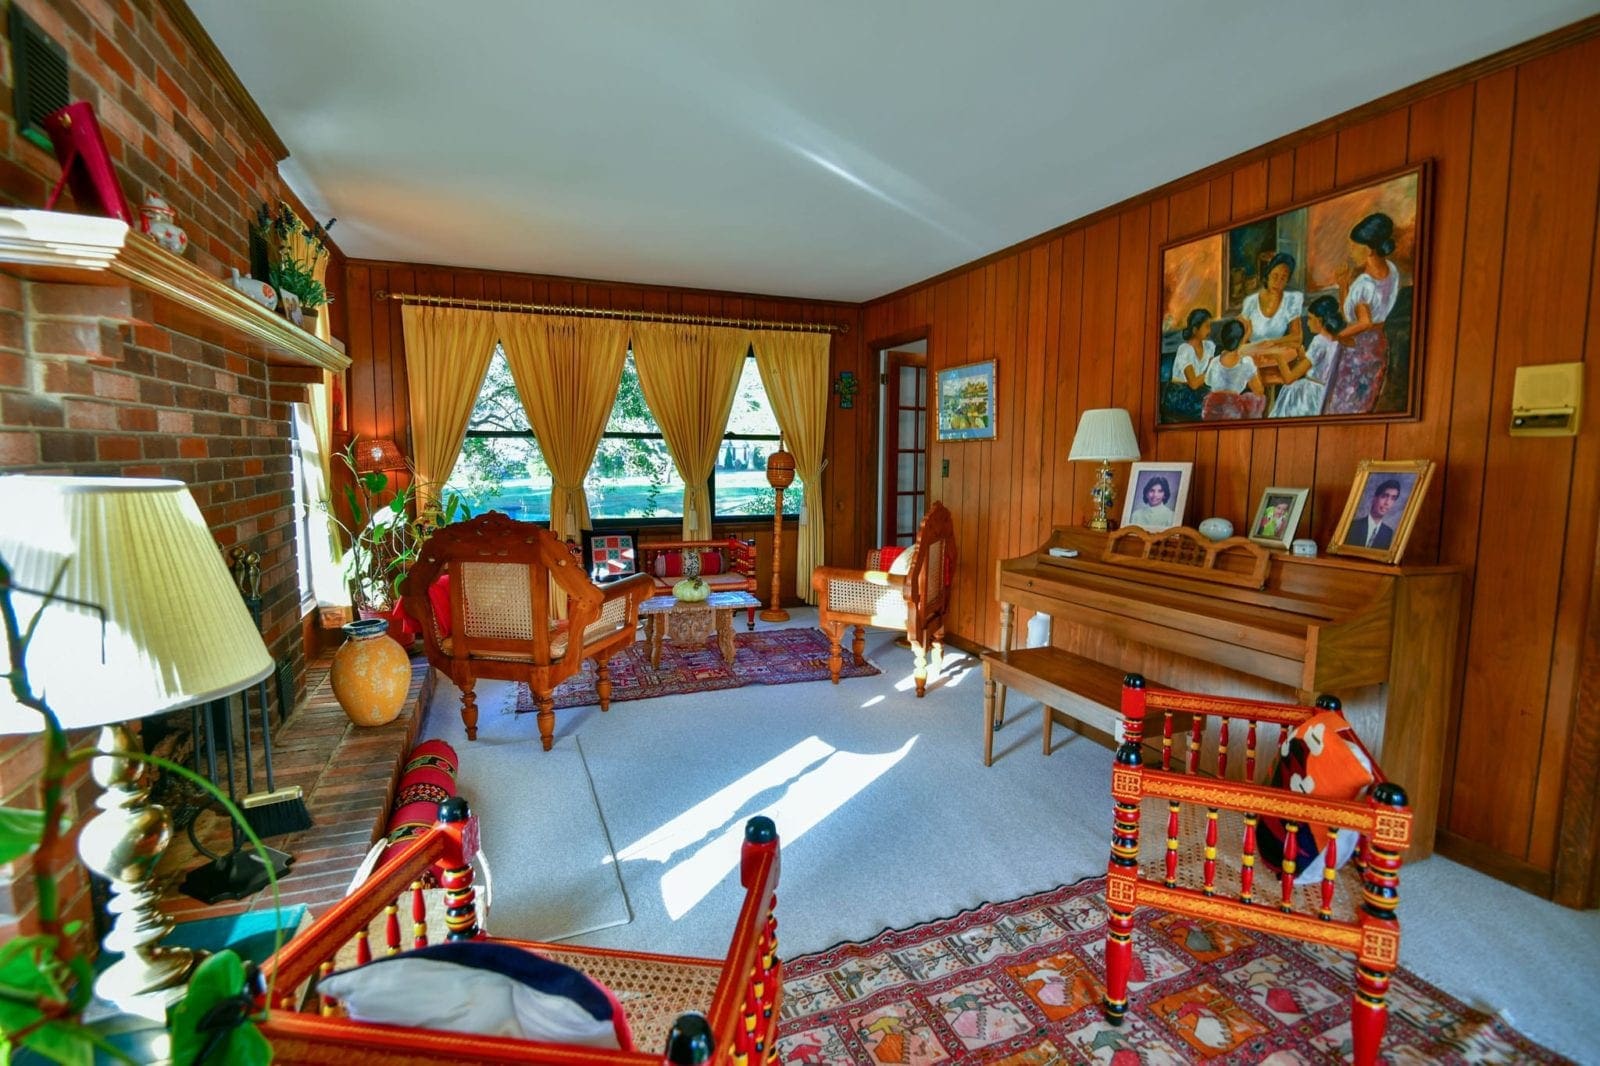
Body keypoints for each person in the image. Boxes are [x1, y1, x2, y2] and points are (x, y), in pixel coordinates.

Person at [1325, 213, 1402, 414]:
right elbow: (1353, 316)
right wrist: (1344, 286)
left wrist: (1337, 335)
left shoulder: (1364, 284)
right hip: (1378, 345)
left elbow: (1364, 322)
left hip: (1358, 349)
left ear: (1368, 249)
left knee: (1345, 404)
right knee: (1365, 402)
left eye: (1354, 247)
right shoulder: (1392, 271)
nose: (1351, 252)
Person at [1269, 295, 1346, 418]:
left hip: (1309, 396)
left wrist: (1278, 357)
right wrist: (1302, 355)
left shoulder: (1319, 341)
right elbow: (1319, 367)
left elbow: (1289, 378)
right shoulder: (1335, 340)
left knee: (1288, 389)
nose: (1308, 323)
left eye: (1310, 318)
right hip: (1323, 393)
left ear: (1319, 320)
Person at [1200, 319, 1265, 420]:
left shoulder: (1214, 362)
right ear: (1241, 341)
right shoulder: (1246, 362)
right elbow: (1259, 390)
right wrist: (1256, 367)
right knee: (1259, 399)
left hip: (1211, 411)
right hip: (1232, 413)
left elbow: (1208, 382)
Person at [1163, 308, 1214, 421]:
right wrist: (1209, 370)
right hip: (1180, 395)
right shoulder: (1185, 350)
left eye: (1210, 326)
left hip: (1200, 391)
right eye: (1206, 326)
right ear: (1195, 330)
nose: (1209, 330)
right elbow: (1194, 384)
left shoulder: (1209, 346)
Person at [1345, 478, 1402, 549]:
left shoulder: (1388, 533)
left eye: (1393, 499)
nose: (1387, 503)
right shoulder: (1353, 526)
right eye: (1384, 496)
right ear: (1374, 498)